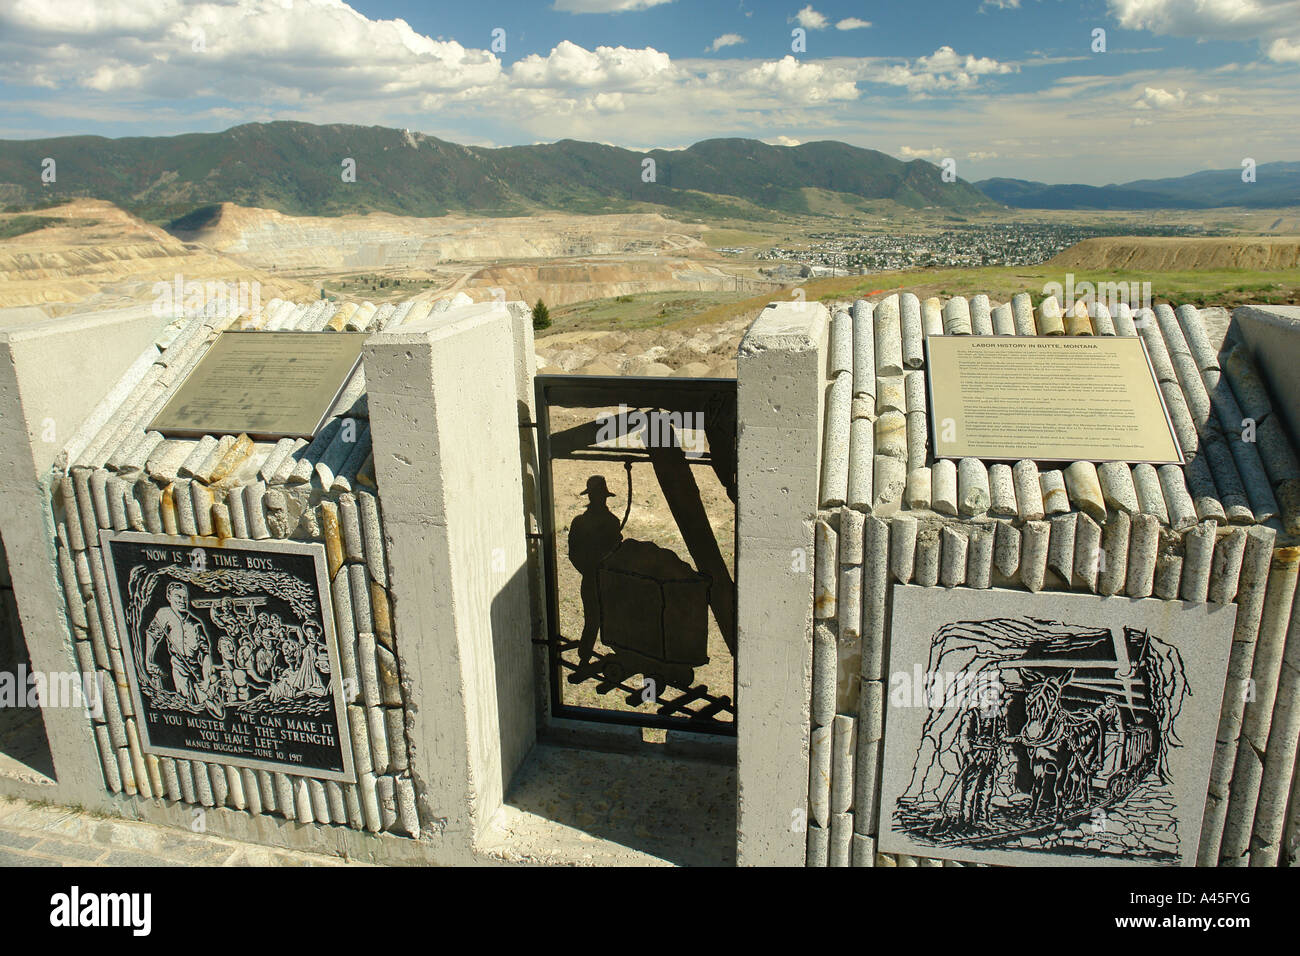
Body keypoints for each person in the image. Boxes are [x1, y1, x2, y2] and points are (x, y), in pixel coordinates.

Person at [567, 475, 623, 680]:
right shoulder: (612, 522)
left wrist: (588, 571)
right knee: (602, 618)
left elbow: (574, 554)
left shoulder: (580, 522)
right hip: (605, 580)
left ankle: (584, 658)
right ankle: (594, 657)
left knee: (592, 619)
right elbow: (617, 552)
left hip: (593, 579)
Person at [144, 582, 214, 707]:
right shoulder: (164, 614)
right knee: (184, 700)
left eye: (184, 597)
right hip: (179, 664)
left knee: (203, 701)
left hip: (196, 668)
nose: (182, 601)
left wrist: (206, 680)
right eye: (178, 596)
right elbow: (152, 635)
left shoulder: (195, 624)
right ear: (169, 597)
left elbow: (206, 655)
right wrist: (148, 660)